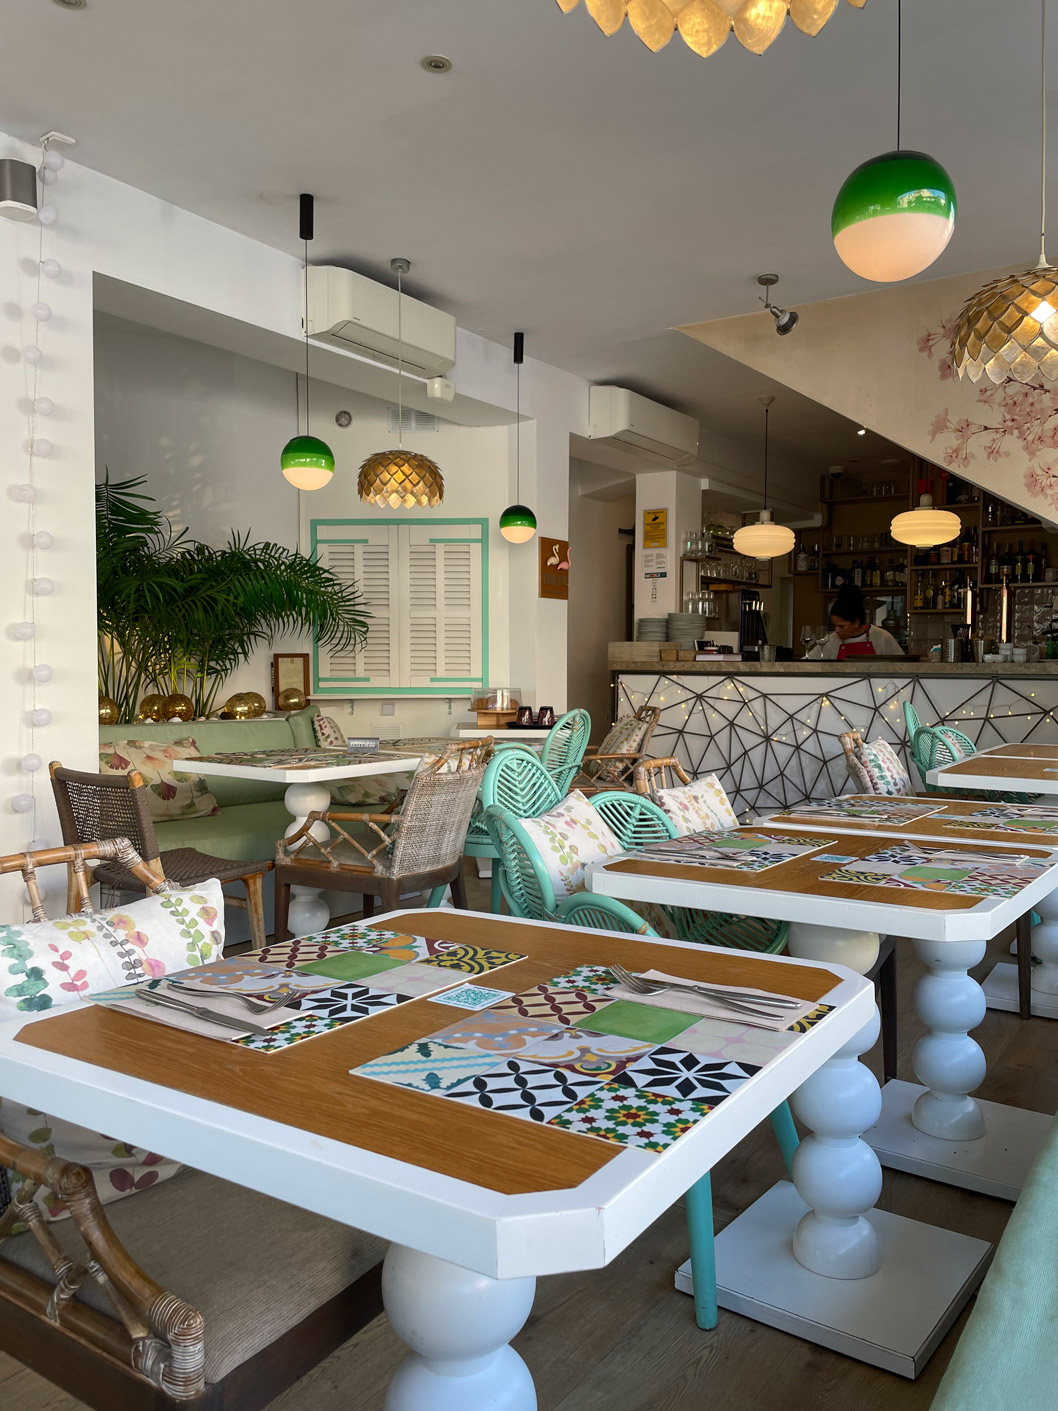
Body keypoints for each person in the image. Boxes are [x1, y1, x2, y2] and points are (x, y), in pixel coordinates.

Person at [807, 585, 904, 660]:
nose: (836, 630)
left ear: (856, 622)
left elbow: (902, 667)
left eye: (841, 626)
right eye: (834, 625)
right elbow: (806, 664)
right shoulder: (830, 640)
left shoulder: (882, 638)